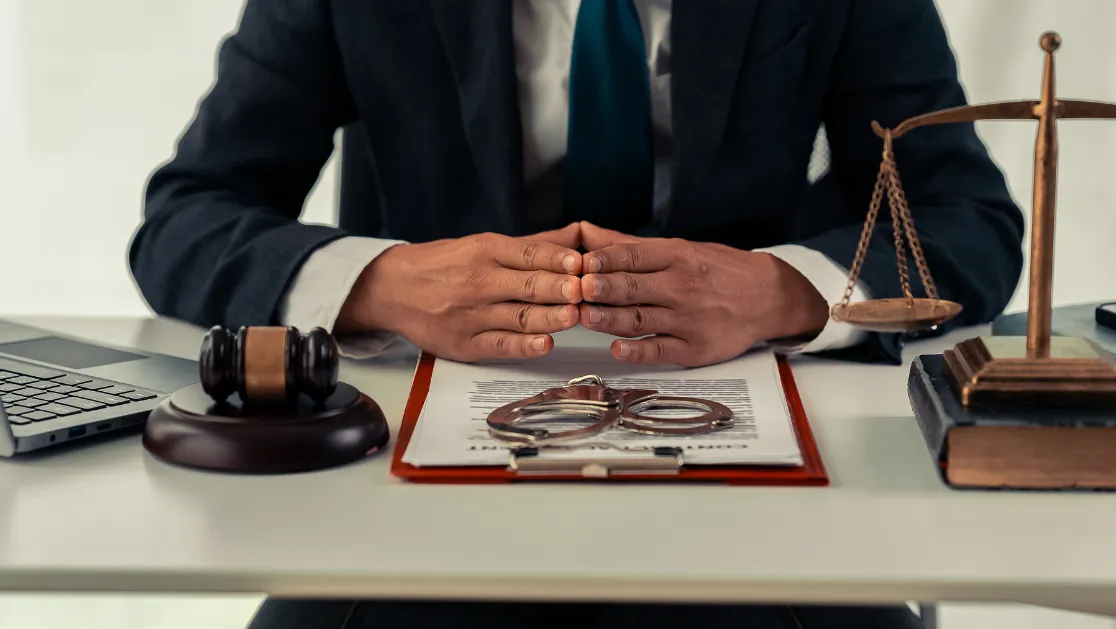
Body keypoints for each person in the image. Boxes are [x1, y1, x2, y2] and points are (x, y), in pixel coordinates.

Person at [129, 0, 1023, 627]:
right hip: (411, 502)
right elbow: (187, 215)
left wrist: (785, 291)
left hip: (759, 495)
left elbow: (966, 217)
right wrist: (381, 283)